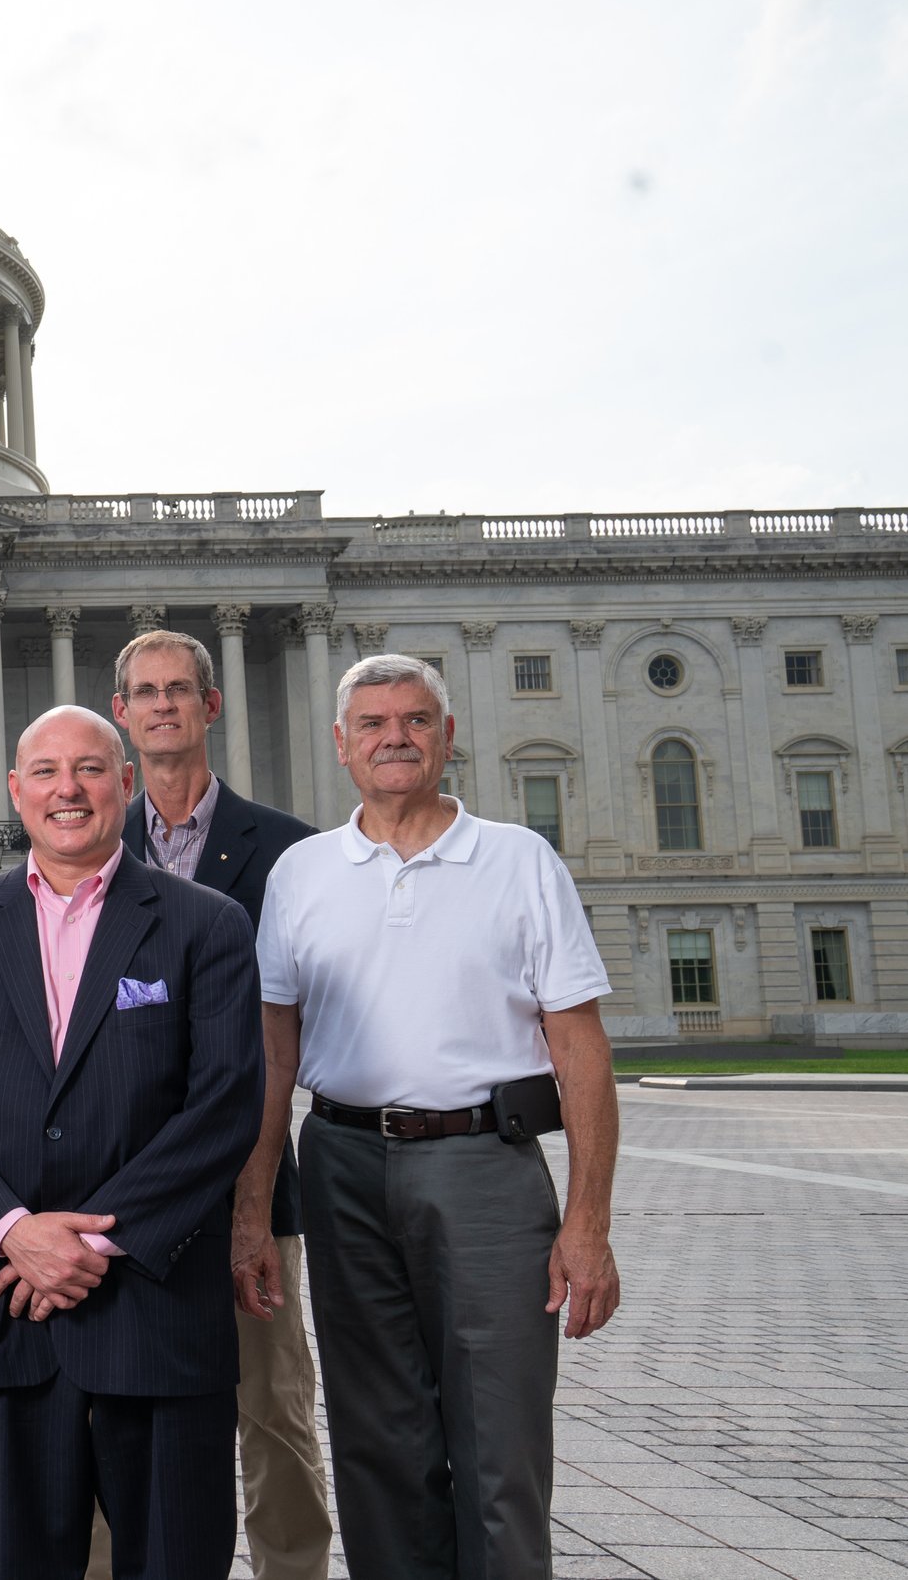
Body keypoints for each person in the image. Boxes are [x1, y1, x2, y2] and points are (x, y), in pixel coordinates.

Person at [257, 654, 622, 1580]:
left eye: (416, 720)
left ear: (447, 736)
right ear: (341, 744)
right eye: (373, 723)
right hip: (341, 1158)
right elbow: (273, 1056)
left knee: (500, 1435)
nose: (395, 737)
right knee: (378, 1438)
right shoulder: (302, 872)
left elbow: (580, 1049)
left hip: (485, 1164)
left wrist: (588, 1221)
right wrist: (249, 1209)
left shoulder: (518, 859)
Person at [0, 705, 264, 1580]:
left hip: (156, 1304)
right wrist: (13, 1229)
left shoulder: (205, 922)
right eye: (48, 772)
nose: (70, 789)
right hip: (4, 1308)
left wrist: (92, 1239)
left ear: (125, 784)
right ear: (17, 793)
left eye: (91, 768)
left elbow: (224, 1105)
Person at [105, 630, 329, 1580]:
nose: (162, 706)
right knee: (104, 1415)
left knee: (274, 1409)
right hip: (112, 1190)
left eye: (179, 690)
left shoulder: (288, 852)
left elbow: (288, 1044)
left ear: (211, 704)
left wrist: (250, 1204)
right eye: (144, 693)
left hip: (251, 1189)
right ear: (122, 712)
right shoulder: (81, 841)